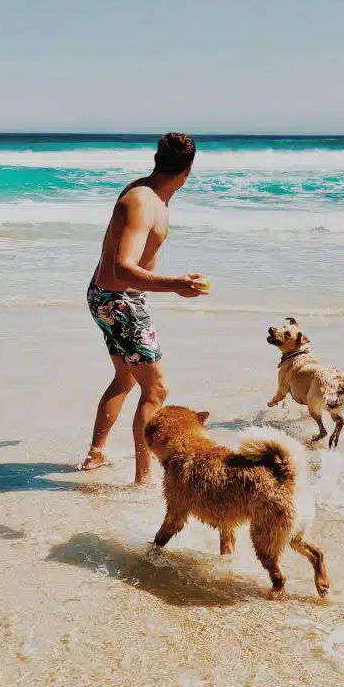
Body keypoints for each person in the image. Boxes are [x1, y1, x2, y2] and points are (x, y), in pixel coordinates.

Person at [81, 132, 206, 482]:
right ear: (188, 170)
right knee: (156, 390)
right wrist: (176, 285)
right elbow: (121, 268)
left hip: (105, 297)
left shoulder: (145, 191)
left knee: (125, 378)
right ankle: (143, 479)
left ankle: (96, 455)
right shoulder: (144, 202)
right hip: (119, 300)